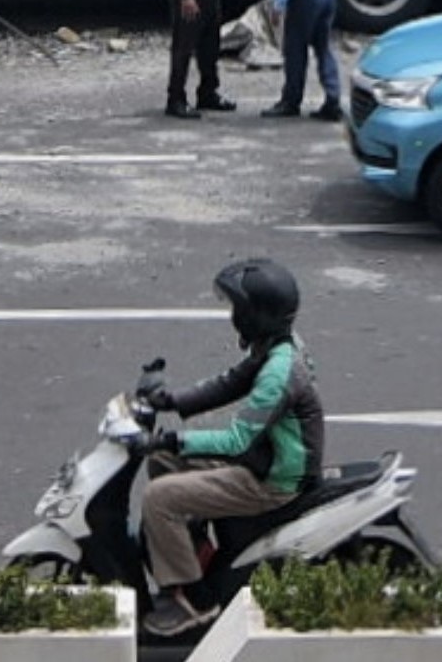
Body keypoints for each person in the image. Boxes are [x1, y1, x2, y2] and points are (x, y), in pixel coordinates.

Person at [135, 258, 325, 638]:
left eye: (238, 308)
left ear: (256, 315)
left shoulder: (279, 373)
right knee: (162, 460)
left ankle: (195, 601)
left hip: (271, 481)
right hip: (264, 459)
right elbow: (228, 383)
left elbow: (238, 441)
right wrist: (170, 400)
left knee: (159, 498)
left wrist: (175, 436)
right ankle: (198, 555)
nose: (233, 315)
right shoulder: (276, 346)